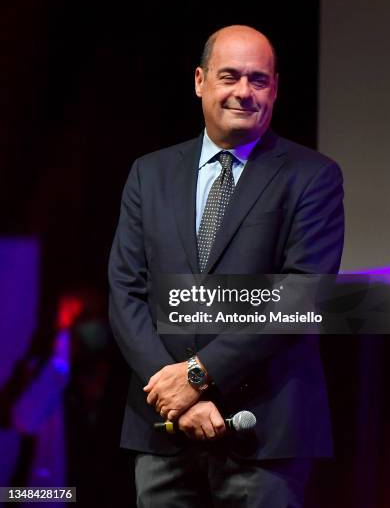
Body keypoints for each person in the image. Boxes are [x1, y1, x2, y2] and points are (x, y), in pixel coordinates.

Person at [108, 25, 344, 507]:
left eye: (258, 80)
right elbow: (125, 291)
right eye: (230, 76)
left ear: (275, 88)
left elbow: (298, 296)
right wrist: (171, 392)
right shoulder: (148, 173)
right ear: (200, 81)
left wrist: (195, 377)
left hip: (265, 436)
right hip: (163, 433)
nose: (243, 91)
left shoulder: (312, 176)